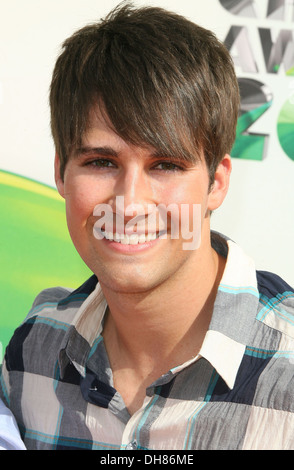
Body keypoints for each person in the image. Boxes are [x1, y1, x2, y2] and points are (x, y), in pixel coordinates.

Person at [0, 2, 293, 450]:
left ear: (215, 183)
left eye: (166, 165)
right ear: (61, 173)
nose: (130, 203)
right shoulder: (32, 352)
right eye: (101, 162)